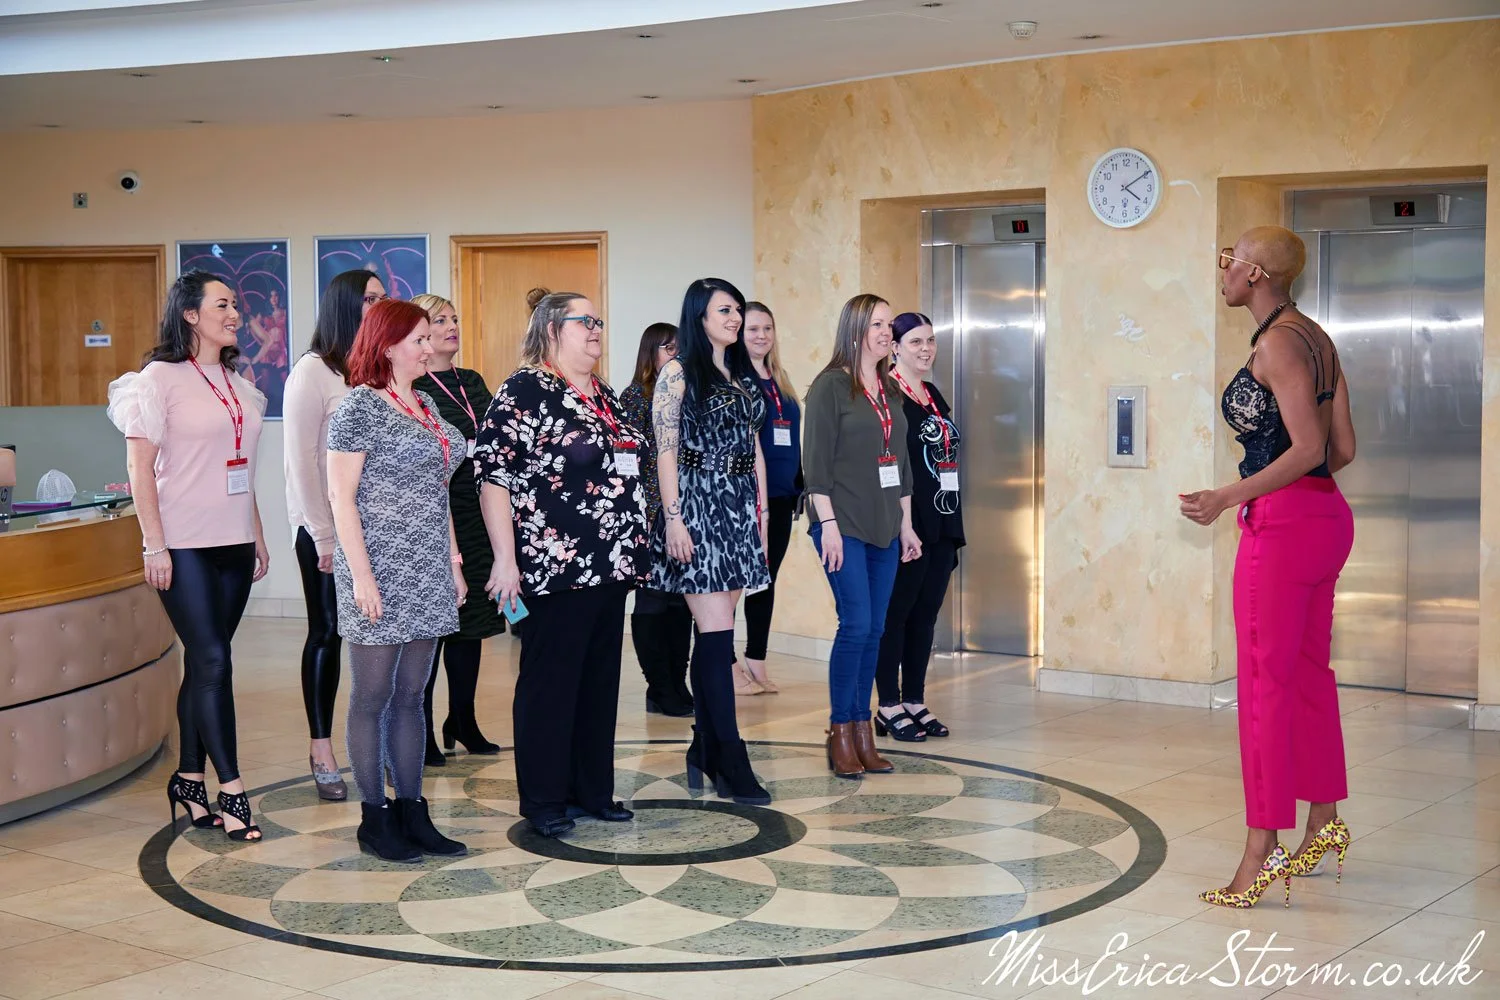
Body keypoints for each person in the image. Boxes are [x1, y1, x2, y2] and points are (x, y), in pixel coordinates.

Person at [1181, 226, 1356, 908]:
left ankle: (1261, 850)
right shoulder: (1318, 339)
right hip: (1325, 520)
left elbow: (1309, 447)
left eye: (1229, 260)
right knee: (1309, 676)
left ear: (1255, 274)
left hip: (1282, 529)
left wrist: (1228, 496)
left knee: (1263, 688)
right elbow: (1342, 450)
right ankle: (1325, 820)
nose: (1222, 269)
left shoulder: (1277, 344)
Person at [477, 291, 649, 838]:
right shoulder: (525, 389)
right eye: (585, 321)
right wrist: (505, 560)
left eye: (599, 320)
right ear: (552, 329)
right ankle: (545, 799)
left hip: (611, 566)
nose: (596, 328)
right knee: (550, 685)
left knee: (597, 684)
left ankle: (592, 791)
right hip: (555, 568)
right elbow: (494, 477)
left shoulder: (603, 393)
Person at [107, 270, 271, 841]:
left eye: (236, 305)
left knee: (205, 663)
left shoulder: (237, 383)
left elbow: (241, 467)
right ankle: (233, 790)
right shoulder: (157, 380)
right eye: (222, 305)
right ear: (191, 314)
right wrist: (153, 543)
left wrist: (255, 532)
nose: (235, 314)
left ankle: (188, 779)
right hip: (183, 543)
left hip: (233, 541)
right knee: (215, 661)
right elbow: (139, 470)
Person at [327, 299, 467, 863]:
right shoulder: (358, 406)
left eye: (429, 338)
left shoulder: (426, 403)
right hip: (378, 568)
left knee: (412, 696)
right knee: (372, 696)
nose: (430, 348)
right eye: (419, 340)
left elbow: (439, 489)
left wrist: (453, 561)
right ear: (387, 346)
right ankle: (374, 817)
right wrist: (361, 577)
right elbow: (341, 498)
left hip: (428, 566)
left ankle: (413, 810)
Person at [652, 277, 772, 805]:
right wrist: (674, 519)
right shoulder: (678, 372)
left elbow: (754, 446)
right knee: (719, 637)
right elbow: (665, 450)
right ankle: (729, 754)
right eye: (724, 310)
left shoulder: (740, 373)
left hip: (739, 508)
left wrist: (761, 513)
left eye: (737, 309)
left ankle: (704, 744)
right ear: (698, 316)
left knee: (717, 635)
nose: (735, 318)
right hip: (698, 507)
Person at [803, 293, 922, 778]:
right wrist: (827, 525)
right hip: (842, 523)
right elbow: (814, 467)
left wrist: (906, 524)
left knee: (875, 628)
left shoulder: (890, 389)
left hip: (885, 525)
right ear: (854, 330)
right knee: (855, 624)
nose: (886, 332)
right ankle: (841, 731)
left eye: (889, 324)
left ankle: (862, 731)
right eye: (877, 324)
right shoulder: (830, 386)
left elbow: (901, 466)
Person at [283, 268, 388, 800]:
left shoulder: (372, 368)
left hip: (375, 527)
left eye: (383, 298)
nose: (378, 305)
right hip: (325, 528)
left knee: (380, 633)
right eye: (369, 298)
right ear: (345, 305)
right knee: (327, 631)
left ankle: (381, 744)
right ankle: (321, 748)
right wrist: (322, 535)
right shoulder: (311, 371)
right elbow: (300, 463)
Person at [410, 293, 508, 763]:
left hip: (477, 510)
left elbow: (493, 438)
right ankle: (421, 729)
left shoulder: (470, 381)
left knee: (472, 626)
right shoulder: (413, 386)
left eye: (455, 318)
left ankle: (462, 718)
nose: (452, 326)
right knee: (436, 626)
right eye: (440, 320)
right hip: (436, 513)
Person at [876, 312, 964, 741]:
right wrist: (904, 523)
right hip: (908, 521)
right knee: (897, 614)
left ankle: (914, 699)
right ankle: (888, 705)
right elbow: (888, 464)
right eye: (915, 341)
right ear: (894, 347)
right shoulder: (886, 395)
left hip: (943, 516)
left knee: (926, 615)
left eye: (930, 340)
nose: (926, 349)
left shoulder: (931, 393)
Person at [619, 322, 695, 718]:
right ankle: (659, 685)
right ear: (651, 352)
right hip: (649, 513)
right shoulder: (634, 397)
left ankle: (677, 682)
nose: (675, 356)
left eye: (679, 349)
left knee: (682, 601)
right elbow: (627, 462)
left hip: (683, 510)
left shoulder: (686, 390)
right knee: (653, 600)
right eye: (668, 348)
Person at [735, 301, 803, 696]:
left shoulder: (780, 379)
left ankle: (756, 660)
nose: (762, 336)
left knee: (765, 579)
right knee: (734, 582)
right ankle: (725, 663)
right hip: (748, 497)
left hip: (782, 496)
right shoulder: (736, 379)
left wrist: (799, 481)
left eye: (767, 329)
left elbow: (790, 437)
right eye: (753, 329)